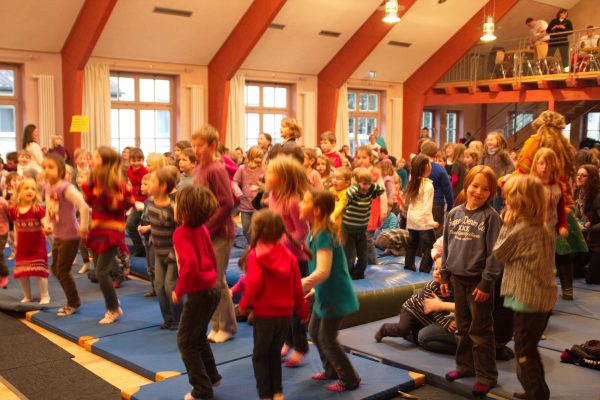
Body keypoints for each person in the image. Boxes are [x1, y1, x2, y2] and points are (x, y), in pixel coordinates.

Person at [440, 165, 502, 398]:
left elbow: (496, 253)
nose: (478, 192)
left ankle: (487, 375)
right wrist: (445, 274)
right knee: (463, 328)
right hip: (457, 279)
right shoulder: (454, 214)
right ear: (466, 185)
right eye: (475, 186)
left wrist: (487, 282)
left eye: (485, 189)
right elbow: (447, 246)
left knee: (481, 331)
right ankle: (465, 366)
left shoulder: (491, 217)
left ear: (491, 193)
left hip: (479, 282)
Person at [494, 175, 556, 400]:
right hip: (542, 299)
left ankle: (536, 394)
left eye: (508, 198)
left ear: (519, 202)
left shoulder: (520, 230)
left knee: (524, 351)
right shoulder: (543, 228)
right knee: (530, 348)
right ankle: (538, 391)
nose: (505, 202)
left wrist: (506, 223)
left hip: (527, 300)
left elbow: (500, 252)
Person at [238, 209, 309, 400]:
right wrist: (302, 310)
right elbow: (297, 287)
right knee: (274, 355)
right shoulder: (289, 256)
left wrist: (244, 304)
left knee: (260, 356)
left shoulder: (256, 255)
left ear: (257, 231)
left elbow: (254, 283)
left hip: (264, 315)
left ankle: (265, 395)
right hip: (284, 316)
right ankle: (277, 392)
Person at [300, 189, 361, 392]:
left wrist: (300, 285)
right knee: (314, 332)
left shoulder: (324, 234)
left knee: (327, 338)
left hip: (336, 296)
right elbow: (325, 270)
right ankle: (331, 370)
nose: (300, 204)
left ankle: (350, 379)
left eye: (304, 201)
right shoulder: (315, 231)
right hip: (324, 294)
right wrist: (315, 290)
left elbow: (323, 271)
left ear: (316, 210)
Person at [171, 185, 222, 400]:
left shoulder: (181, 233)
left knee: (185, 341)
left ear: (183, 210)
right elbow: (211, 257)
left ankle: (201, 388)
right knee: (198, 336)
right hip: (212, 289)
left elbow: (190, 264)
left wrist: (179, 290)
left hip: (200, 292)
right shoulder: (201, 228)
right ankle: (212, 376)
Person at [192, 124, 237, 343]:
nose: (196, 149)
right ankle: (217, 323)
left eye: (200, 145)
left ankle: (226, 325)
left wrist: (207, 229)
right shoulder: (199, 168)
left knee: (217, 280)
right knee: (210, 280)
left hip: (220, 232)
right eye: (193, 145)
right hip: (205, 230)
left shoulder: (216, 169)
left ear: (212, 145)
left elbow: (227, 203)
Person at [266, 155, 310, 367]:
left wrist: (280, 241)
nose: (266, 175)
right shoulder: (273, 196)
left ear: (283, 178)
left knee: (295, 307)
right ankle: (288, 340)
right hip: (277, 258)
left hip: (294, 260)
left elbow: (302, 231)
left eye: (271, 172)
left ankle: (301, 345)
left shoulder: (293, 200)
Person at [82, 146, 135, 324]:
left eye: (96, 157)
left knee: (102, 272)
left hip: (111, 232)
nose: (92, 160)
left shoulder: (116, 184)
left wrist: (108, 199)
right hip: (98, 230)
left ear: (105, 162)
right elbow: (89, 200)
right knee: (99, 271)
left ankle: (113, 309)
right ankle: (113, 303)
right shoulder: (95, 181)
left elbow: (128, 202)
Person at [42, 154, 89, 316]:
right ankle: (73, 300)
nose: (46, 171)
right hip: (58, 235)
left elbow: (83, 206)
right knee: (55, 268)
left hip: (71, 236)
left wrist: (83, 227)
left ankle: (74, 302)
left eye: (51, 167)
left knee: (62, 270)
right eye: (44, 167)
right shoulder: (48, 186)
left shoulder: (66, 188)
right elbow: (50, 207)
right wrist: (47, 223)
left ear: (60, 170)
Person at [375, 261, 455, 351]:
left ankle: (408, 335)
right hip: (412, 310)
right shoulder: (432, 287)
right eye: (435, 269)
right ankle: (385, 329)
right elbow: (432, 309)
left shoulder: (452, 289)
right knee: (403, 329)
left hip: (427, 317)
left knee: (421, 339)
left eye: (441, 271)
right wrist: (445, 322)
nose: (436, 272)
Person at [531, 148, 573, 299]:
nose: (544, 167)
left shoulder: (558, 186)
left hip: (550, 231)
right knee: (534, 264)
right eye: (541, 163)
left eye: (548, 164)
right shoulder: (531, 184)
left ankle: (546, 295)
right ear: (535, 165)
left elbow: (560, 209)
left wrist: (562, 225)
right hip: (532, 232)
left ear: (554, 166)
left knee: (549, 265)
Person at [146, 168, 181, 330]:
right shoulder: (150, 203)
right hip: (158, 252)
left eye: (152, 181)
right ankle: (168, 319)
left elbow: (179, 233)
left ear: (162, 186)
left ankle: (178, 318)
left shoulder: (172, 208)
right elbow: (154, 225)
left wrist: (175, 253)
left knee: (169, 286)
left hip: (172, 253)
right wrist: (152, 237)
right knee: (158, 285)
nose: (148, 184)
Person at [9, 178, 49, 304]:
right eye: (26, 188)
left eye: (33, 189)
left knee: (39, 271)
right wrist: (16, 241)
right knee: (22, 273)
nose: (30, 191)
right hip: (22, 247)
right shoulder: (14, 210)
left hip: (37, 246)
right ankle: (28, 295)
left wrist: (47, 226)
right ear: (19, 192)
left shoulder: (37, 209)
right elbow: (16, 226)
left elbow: (44, 222)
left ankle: (45, 295)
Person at [342, 167, 384, 280]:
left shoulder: (369, 194)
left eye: (369, 184)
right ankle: (348, 275)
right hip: (348, 231)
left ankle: (358, 274)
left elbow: (381, 190)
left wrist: (369, 184)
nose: (367, 187)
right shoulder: (353, 193)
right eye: (364, 183)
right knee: (349, 256)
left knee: (363, 257)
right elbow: (349, 192)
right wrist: (355, 184)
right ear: (355, 182)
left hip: (362, 231)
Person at [404, 155, 438, 273]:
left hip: (412, 218)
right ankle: (424, 268)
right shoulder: (428, 186)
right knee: (432, 245)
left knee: (412, 243)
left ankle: (409, 265)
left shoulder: (412, 179)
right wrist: (431, 222)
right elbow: (426, 207)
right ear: (426, 168)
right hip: (423, 220)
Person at [420, 141, 453, 238]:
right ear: (435, 155)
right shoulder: (440, 169)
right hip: (436, 204)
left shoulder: (417, 167)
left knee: (421, 230)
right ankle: (433, 252)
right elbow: (448, 190)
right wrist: (450, 207)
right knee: (436, 231)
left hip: (421, 203)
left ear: (421, 152)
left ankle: (421, 252)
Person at [232, 146, 265, 241]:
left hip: (258, 204)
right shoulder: (242, 168)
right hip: (245, 204)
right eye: (257, 157)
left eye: (261, 157)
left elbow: (267, 184)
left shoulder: (263, 169)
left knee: (254, 228)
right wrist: (238, 193)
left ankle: (254, 246)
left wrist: (259, 187)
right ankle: (251, 244)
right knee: (245, 229)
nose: (259, 160)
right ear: (250, 156)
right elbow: (234, 182)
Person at [574, 164, 600, 284]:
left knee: (591, 279)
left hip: (597, 243)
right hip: (586, 242)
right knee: (572, 271)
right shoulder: (577, 193)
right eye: (578, 174)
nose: (579, 177)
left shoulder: (597, 197)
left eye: (583, 175)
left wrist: (588, 228)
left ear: (591, 178)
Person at [482, 131, 515, 211]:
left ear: (498, 142)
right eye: (488, 140)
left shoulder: (502, 153)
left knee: (496, 203)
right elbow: (481, 166)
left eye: (492, 140)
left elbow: (511, 166)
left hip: (498, 183)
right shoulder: (485, 155)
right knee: (487, 202)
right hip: (487, 182)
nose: (489, 141)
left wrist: (504, 175)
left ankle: (496, 218)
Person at [125, 148, 148, 257]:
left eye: (139, 160)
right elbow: (131, 184)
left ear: (143, 160)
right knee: (129, 226)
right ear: (129, 161)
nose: (136, 163)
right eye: (133, 160)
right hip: (135, 202)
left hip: (145, 203)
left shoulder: (145, 172)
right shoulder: (128, 171)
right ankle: (140, 248)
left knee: (145, 228)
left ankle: (147, 250)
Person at [0, 192, 8, 289]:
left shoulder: (2, 201)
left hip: (2, 231)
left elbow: (9, 215)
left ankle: (4, 274)